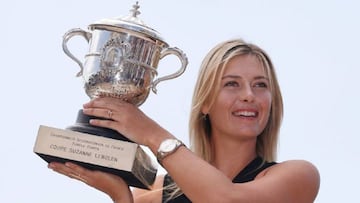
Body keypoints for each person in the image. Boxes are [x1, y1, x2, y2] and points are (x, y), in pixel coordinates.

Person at [48, 38, 320, 203]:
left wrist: (152, 135)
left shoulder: (297, 177)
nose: (249, 95)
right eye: (232, 84)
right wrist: (120, 196)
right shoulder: (153, 191)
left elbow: (224, 199)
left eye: (261, 85)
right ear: (205, 102)